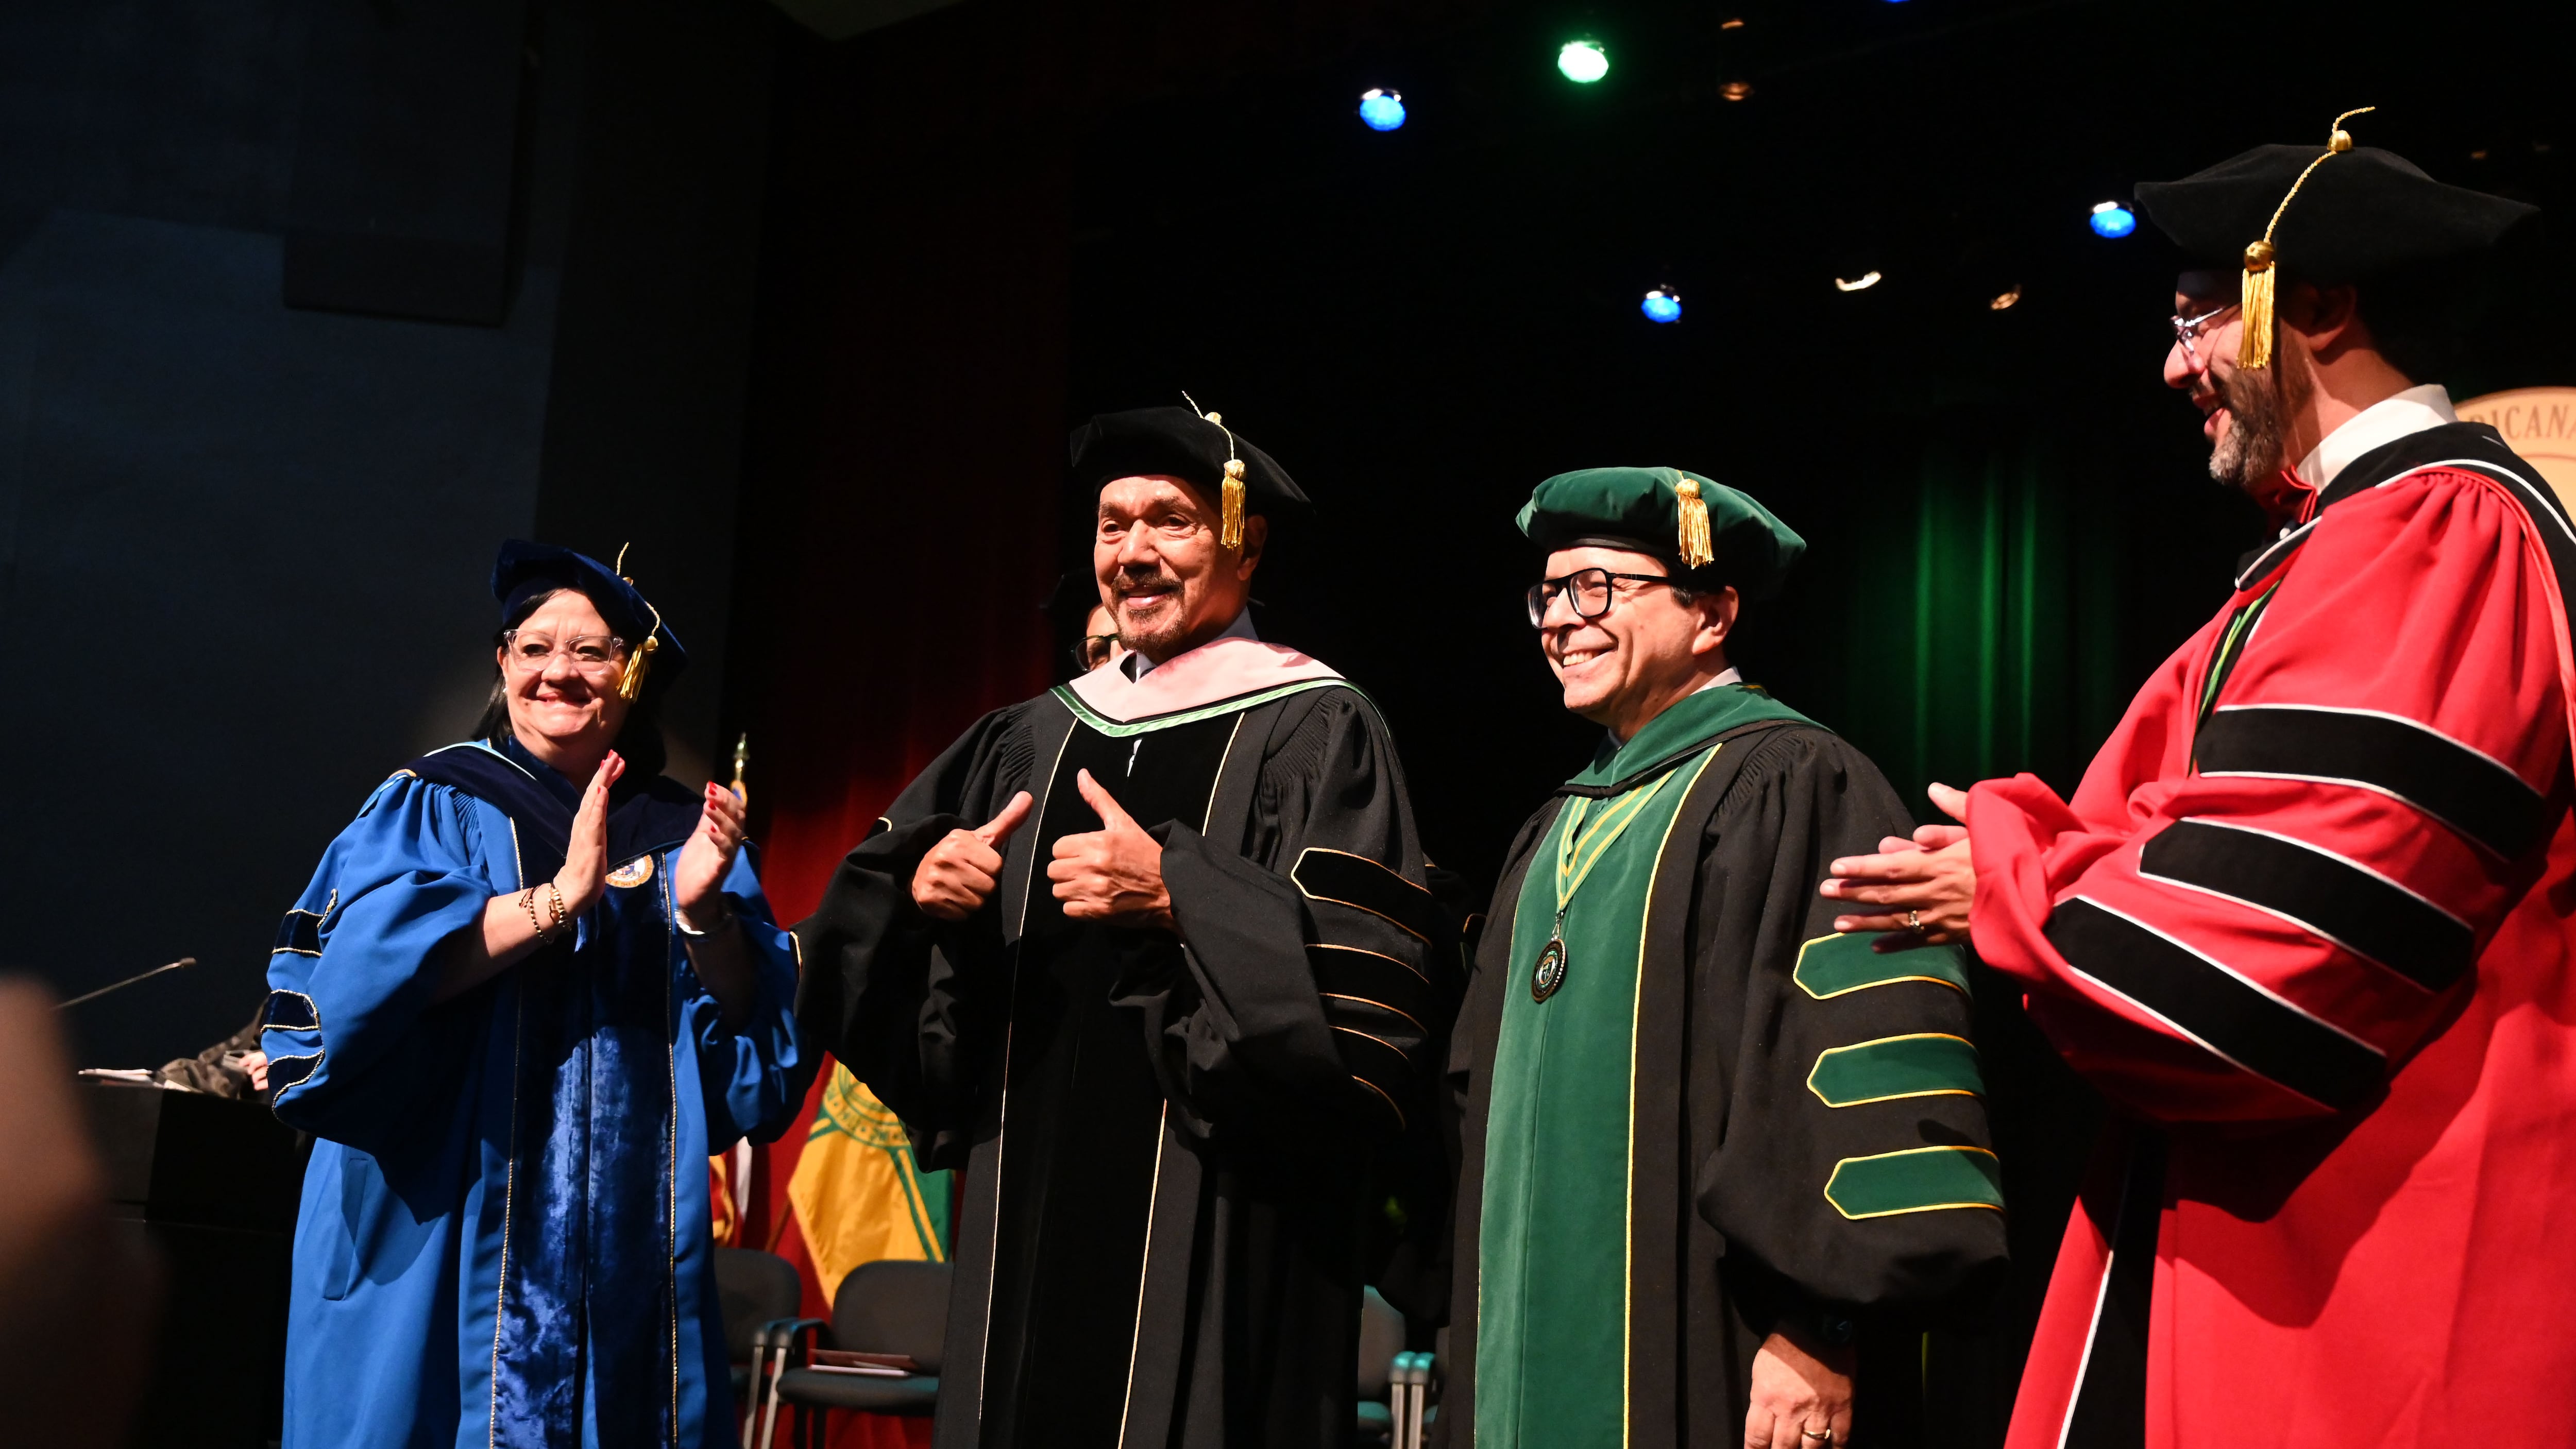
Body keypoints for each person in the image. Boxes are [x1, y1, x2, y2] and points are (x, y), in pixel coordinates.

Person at [1819, 118, 2562, 1447]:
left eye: (2199, 319)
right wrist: (2042, 864)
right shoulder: (2348, 541)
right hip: (2301, 1224)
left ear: (2319, 303)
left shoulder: (2434, 536)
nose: (2175, 366)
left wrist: (2019, 876)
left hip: (2379, 1249)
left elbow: (2273, 953)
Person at [798, 403, 1447, 1449]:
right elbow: (885, 978)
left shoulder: (1319, 725)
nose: (1133, 554)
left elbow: (1363, 1015)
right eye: (1111, 526)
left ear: (1245, 540)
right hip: (1027, 1199)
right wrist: (936, 906)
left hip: (1231, 1204)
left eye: (1170, 523)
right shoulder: (1028, 735)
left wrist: (1182, 895)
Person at [1442, 468, 2007, 1449]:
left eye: (1596, 587)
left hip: (1725, 1343)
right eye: (1546, 593)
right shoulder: (1553, 829)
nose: (1559, 620)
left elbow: (1858, 1061)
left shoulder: (1799, 780)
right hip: (1518, 1362)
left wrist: (1818, 1326)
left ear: (1711, 613)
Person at [259, 542, 808, 1448]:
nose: (560, 671)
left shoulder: (681, 836)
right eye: (535, 646)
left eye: (591, 652)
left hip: (622, 1254)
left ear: (630, 674)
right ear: (503, 663)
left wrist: (705, 911)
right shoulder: (432, 801)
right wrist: (561, 898)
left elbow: (750, 1058)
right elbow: (359, 991)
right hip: (438, 1223)